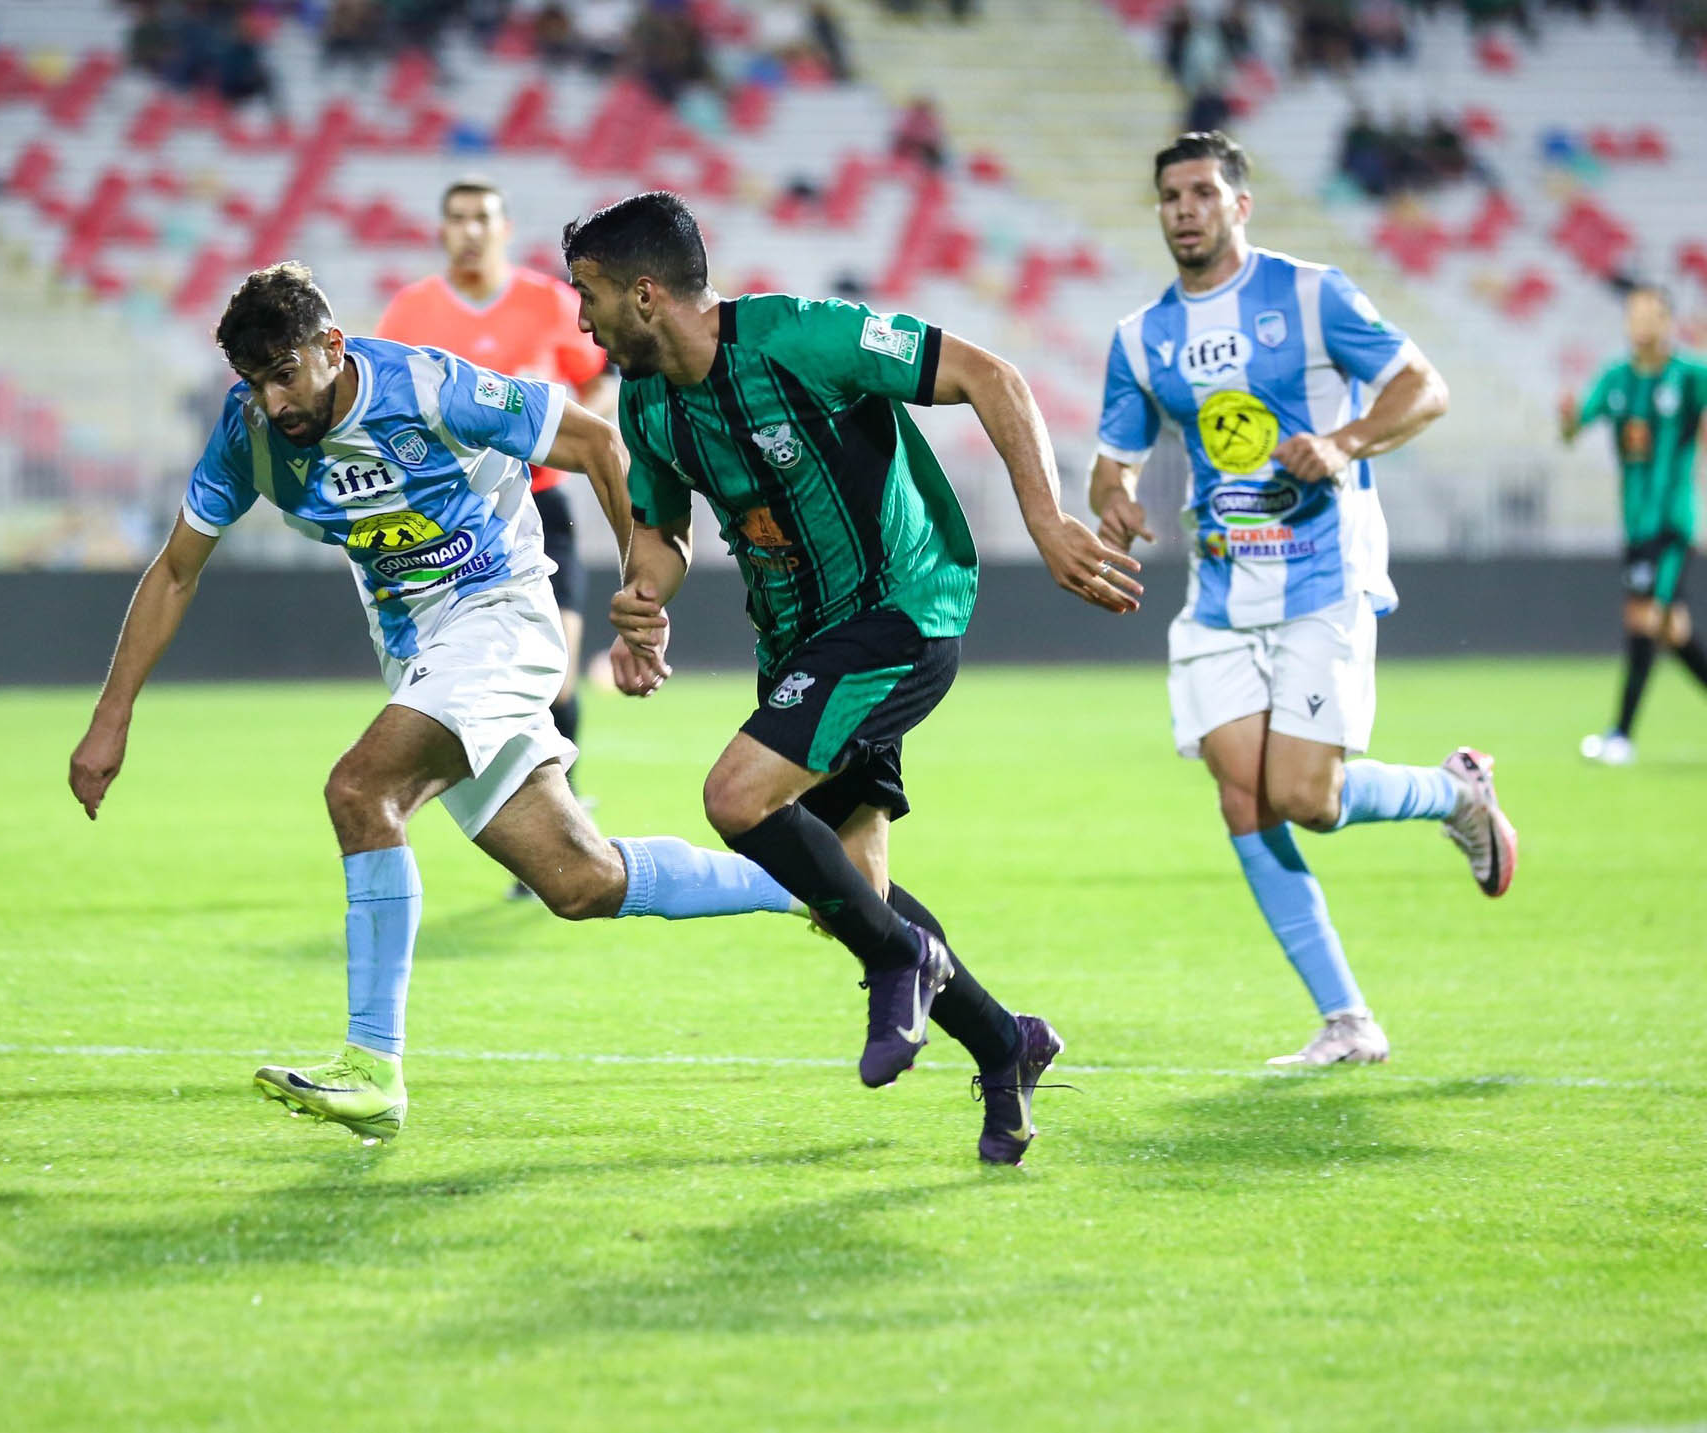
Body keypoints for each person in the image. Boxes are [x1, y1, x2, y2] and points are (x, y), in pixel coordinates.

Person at [66, 261, 800, 1144]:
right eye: (254, 382)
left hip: (502, 617)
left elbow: (597, 444)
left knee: (360, 789)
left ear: (332, 346)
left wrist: (641, 595)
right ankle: (812, 883)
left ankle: (372, 1067)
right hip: (420, 654)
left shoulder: (426, 386)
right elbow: (175, 571)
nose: (273, 401)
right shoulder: (247, 432)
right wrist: (111, 717)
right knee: (580, 880)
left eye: (286, 373)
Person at [565, 191, 1143, 1165]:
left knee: (736, 797)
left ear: (646, 293)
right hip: (796, 644)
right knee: (853, 890)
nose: (580, 319)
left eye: (588, 294)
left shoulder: (803, 338)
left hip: (898, 606)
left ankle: (901, 958)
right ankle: (1004, 1042)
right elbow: (661, 532)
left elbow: (989, 374)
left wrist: (1044, 520)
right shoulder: (646, 401)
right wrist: (641, 595)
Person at [1088, 131, 1514, 1069]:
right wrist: (1113, 499)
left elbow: (1424, 387)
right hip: (1218, 592)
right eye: (1171, 196)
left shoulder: (1313, 295)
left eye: (1203, 192)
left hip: (1321, 576)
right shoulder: (1141, 338)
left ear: (1240, 205)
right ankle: (1347, 1021)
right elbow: (1112, 461)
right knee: (1243, 796)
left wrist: (1345, 441)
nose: (1186, 209)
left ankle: (1457, 794)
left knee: (1306, 799)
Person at [376, 178, 615, 903]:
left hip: (542, 505)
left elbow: (601, 380)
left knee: (559, 675)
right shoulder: (411, 312)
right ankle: (535, 833)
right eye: (458, 218)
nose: (471, 230)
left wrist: (564, 419)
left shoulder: (552, 303)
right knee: (493, 684)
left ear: (505, 228)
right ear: (442, 230)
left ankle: (564, 820)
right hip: (457, 522)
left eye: (483, 217)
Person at [1559, 284, 1707, 764]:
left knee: (1644, 620)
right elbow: (1573, 430)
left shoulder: (1690, 374)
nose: (1640, 323)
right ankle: (1620, 737)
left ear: (1667, 322)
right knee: (1672, 631)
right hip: (1636, 524)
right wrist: (1567, 419)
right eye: (1634, 314)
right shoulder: (1616, 378)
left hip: (1672, 523)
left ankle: (1621, 736)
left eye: (1650, 314)